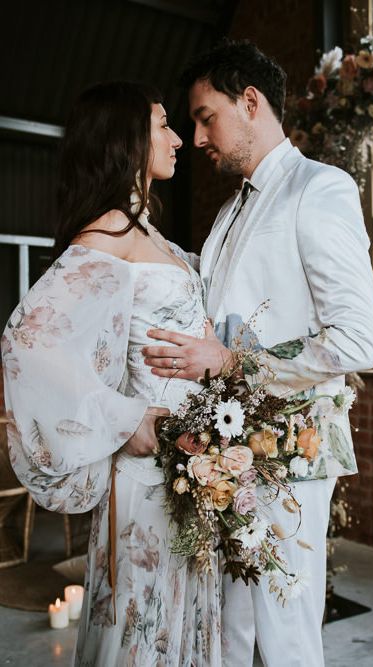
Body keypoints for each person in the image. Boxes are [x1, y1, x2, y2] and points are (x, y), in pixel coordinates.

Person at [141, 40, 373, 666]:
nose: (197, 137)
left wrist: (231, 364)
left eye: (204, 116)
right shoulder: (229, 211)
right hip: (230, 454)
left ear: (250, 102)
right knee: (233, 624)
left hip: (292, 452)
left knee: (286, 629)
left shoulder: (320, 189)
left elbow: (357, 340)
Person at [2, 81, 225, 665]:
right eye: (162, 125)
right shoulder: (107, 233)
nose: (178, 139)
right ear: (126, 139)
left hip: (190, 467)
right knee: (139, 625)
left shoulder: (144, 230)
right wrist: (128, 420)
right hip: (148, 475)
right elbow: (29, 344)